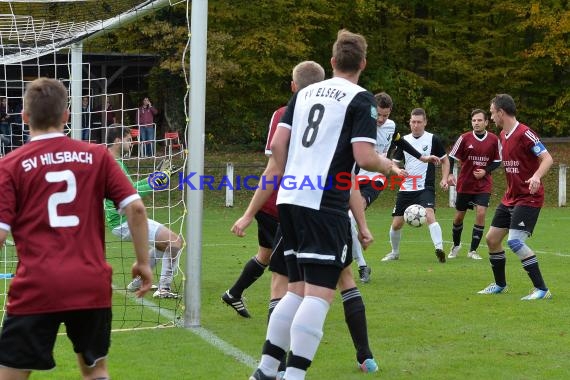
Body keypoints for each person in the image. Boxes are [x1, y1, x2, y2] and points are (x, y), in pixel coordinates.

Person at [248, 29, 395, 380]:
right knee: (319, 295)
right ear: (363, 63)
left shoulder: (303, 94)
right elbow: (364, 156)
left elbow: (279, 148)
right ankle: (295, 375)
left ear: (331, 62)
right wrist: (390, 166)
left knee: (296, 291)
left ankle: (266, 371)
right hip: (323, 202)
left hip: (290, 198)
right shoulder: (362, 100)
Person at [0, 77, 152, 379]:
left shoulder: (10, 165)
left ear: (24, 117)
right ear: (66, 115)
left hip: (36, 285)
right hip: (90, 283)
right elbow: (135, 208)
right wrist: (144, 262)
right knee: (96, 371)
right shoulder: (97, 156)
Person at [223, 61, 326, 319]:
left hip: (278, 203)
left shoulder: (282, 113)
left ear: (293, 86)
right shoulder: (306, 116)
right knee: (285, 274)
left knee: (267, 256)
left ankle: (234, 294)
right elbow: (273, 170)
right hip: (284, 206)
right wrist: (248, 214)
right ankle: (275, 350)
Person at [351, 92, 440, 282]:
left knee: (352, 213)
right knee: (346, 219)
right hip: (352, 177)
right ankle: (361, 264)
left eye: (386, 115)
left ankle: (359, 265)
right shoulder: (358, 123)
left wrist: (421, 157)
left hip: (375, 178)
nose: (382, 119)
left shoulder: (390, 126)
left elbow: (400, 142)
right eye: (378, 115)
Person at [477, 94, 553, 300]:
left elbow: (547, 158)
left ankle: (542, 290)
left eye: (492, 113)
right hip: (510, 197)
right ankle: (500, 285)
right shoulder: (503, 135)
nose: (491, 117)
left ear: (501, 113)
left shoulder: (525, 133)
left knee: (515, 242)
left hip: (529, 197)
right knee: (492, 239)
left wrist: (536, 176)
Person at [106, 125, 183, 299]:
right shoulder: (114, 164)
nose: (131, 143)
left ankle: (138, 281)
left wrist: (152, 178)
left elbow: (130, 188)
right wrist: (155, 182)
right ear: (117, 140)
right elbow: (130, 194)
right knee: (175, 242)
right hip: (125, 221)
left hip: (121, 221)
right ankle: (164, 289)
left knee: (163, 244)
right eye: (128, 140)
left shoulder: (112, 161)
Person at [381, 107, 450, 263]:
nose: (416, 125)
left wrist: (444, 179)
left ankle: (439, 249)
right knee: (397, 224)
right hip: (406, 188)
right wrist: (398, 171)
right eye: (413, 122)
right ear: (409, 122)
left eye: (419, 122)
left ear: (425, 122)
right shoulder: (403, 141)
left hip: (425, 187)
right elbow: (393, 164)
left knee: (430, 214)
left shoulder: (433, 139)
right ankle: (394, 252)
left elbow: (445, 160)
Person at [447, 109, 501, 260]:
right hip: (465, 183)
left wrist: (485, 171)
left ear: (486, 122)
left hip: (483, 184)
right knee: (458, 217)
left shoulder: (493, 139)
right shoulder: (464, 138)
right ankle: (456, 245)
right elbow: (451, 156)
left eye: (479, 120)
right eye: (474, 120)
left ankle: (473, 250)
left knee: (481, 213)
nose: (476, 123)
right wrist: (450, 174)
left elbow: (497, 161)